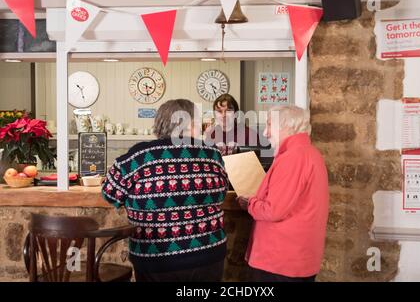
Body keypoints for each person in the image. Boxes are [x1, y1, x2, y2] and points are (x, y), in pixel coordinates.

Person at [102, 99, 229, 282]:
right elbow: (222, 191)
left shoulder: (138, 156)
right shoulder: (213, 154)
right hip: (208, 254)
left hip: (156, 257)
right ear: (191, 124)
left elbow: (109, 193)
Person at [238, 105, 329, 282]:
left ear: (286, 126)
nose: (265, 133)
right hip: (297, 259)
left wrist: (249, 203)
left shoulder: (292, 158)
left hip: (280, 261)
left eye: (270, 125)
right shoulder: (310, 153)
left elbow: (272, 211)